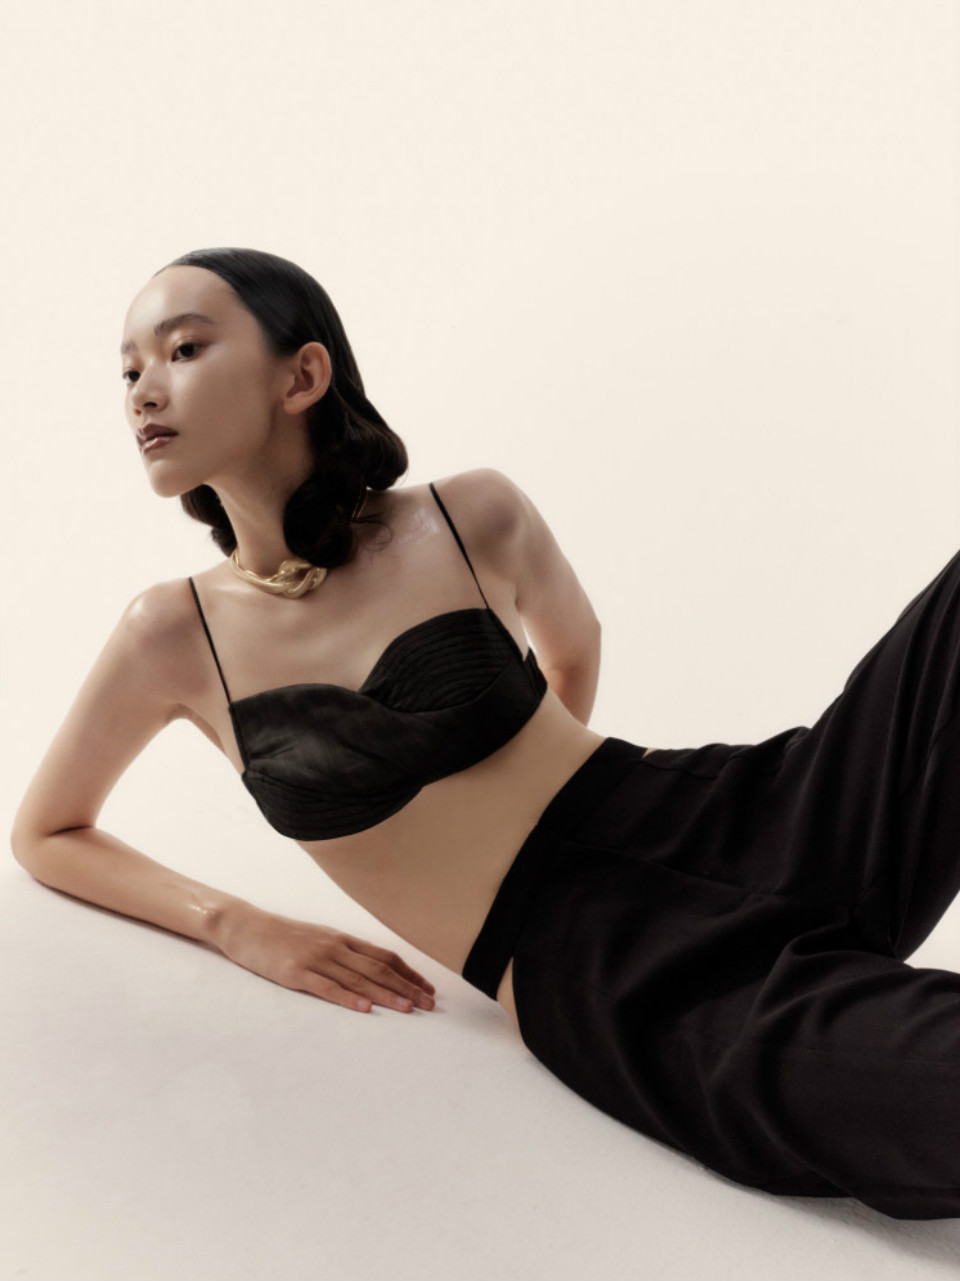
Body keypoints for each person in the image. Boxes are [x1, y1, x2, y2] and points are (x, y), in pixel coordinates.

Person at [10, 247, 959, 1222]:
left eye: (182, 350)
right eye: (128, 369)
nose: (142, 391)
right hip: (604, 971)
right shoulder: (171, 634)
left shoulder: (467, 516)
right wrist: (238, 925)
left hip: (737, 812)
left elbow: (575, 647)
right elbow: (46, 831)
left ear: (302, 376)